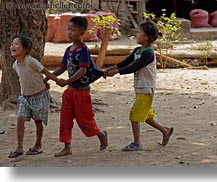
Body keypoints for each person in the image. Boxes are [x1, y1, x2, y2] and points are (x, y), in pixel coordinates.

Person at [104, 19, 174, 151]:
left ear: (147, 37)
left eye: (139, 32)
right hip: (140, 87)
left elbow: (135, 66)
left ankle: (137, 143)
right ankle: (166, 131)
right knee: (147, 116)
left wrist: (116, 72)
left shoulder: (148, 53)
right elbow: (125, 62)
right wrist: (109, 69)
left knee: (134, 115)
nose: (137, 34)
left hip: (146, 89)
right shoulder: (137, 51)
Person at [45, 16, 108, 157]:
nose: (69, 33)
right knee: (65, 119)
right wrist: (48, 77)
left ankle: (101, 134)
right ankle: (67, 146)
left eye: (72, 30)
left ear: (82, 32)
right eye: (68, 29)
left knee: (84, 120)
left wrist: (66, 82)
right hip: (69, 92)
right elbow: (62, 68)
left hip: (81, 93)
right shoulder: (68, 50)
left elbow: (82, 70)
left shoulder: (83, 50)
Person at [8, 35, 60, 158]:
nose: (12, 46)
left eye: (16, 44)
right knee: (20, 119)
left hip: (39, 95)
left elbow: (46, 72)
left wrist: (59, 81)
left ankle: (38, 145)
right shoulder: (15, 65)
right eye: (12, 44)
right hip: (25, 98)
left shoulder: (31, 61)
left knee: (38, 121)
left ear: (25, 48)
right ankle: (19, 148)